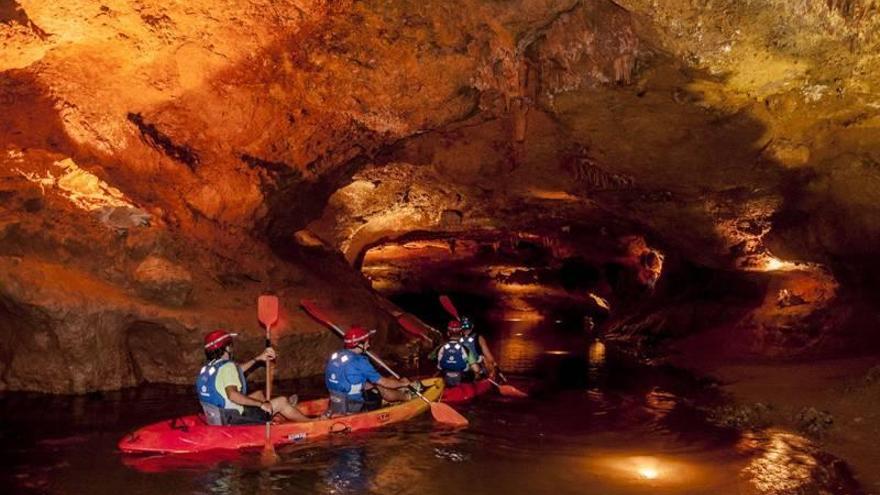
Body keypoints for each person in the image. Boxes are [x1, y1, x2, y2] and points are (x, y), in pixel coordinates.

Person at [195, 329, 312, 425]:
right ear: (227, 348)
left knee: (258, 394)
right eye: (230, 345)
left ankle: (278, 414)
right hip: (235, 418)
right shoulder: (227, 367)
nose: (232, 348)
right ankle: (310, 422)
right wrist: (260, 404)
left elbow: (235, 372)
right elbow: (233, 395)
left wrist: (258, 359)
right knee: (282, 401)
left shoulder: (208, 368)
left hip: (218, 417)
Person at [325, 325, 412, 416]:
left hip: (336, 401)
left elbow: (348, 378)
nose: (369, 344)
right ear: (359, 344)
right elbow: (384, 382)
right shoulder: (360, 362)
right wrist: (402, 383)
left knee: (372, 384)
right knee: (382, 388)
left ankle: (399, 391)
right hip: (354, 406)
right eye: (367, 342)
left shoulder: (336, 355)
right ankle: (407, 397)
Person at [436, 320, 478, 387]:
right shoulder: (465, 348)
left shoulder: (440, 347)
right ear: (461, 333)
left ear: (448, 333)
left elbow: (430, 357)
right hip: (462, 379)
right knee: (473, 373)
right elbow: (476, 369)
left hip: (445, 379)